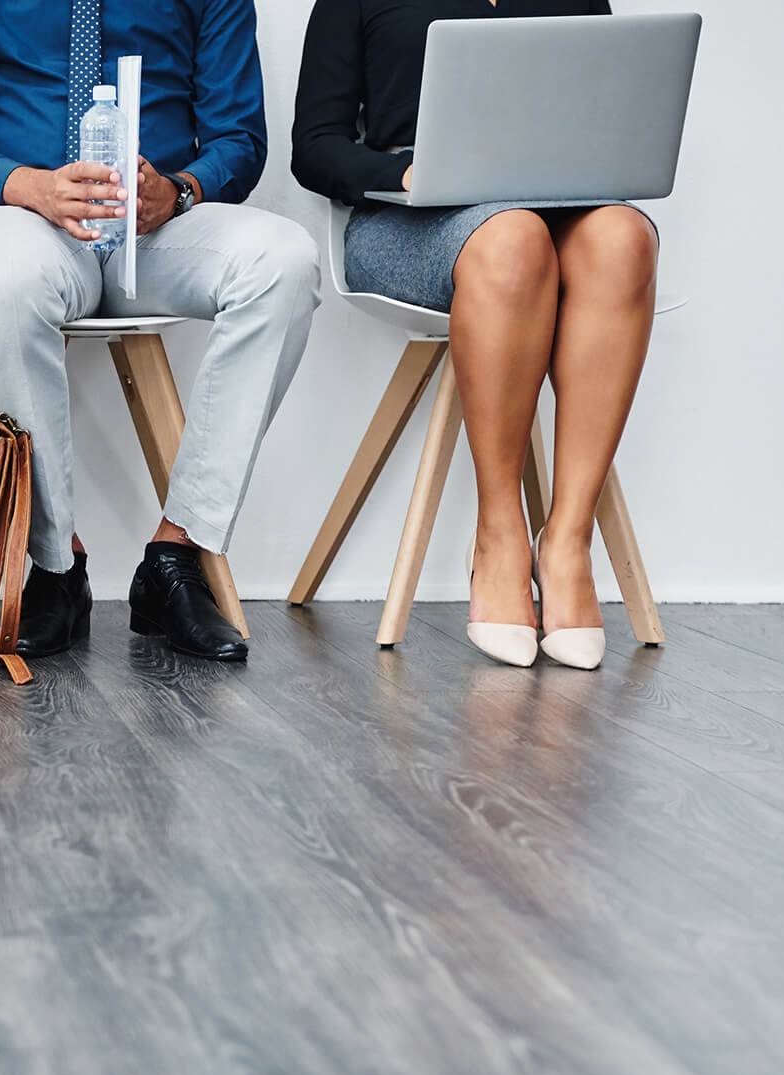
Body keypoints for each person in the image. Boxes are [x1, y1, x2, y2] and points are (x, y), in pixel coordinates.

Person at [0, 0, 320, 662]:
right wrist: (32, 187)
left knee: (284, 262)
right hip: (24, 212)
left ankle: (177, 553)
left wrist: (182, 191)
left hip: (155, 226)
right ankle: (53, 563)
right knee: (8, 281)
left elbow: (239, 139)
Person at [294, 0, 656, 670]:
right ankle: (499, 535)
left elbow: (606, 119)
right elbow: (315, 147)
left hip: (556, 208)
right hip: (409, 221)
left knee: (624, 238)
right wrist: (405, 175)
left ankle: (568, 542)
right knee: (512, 239)